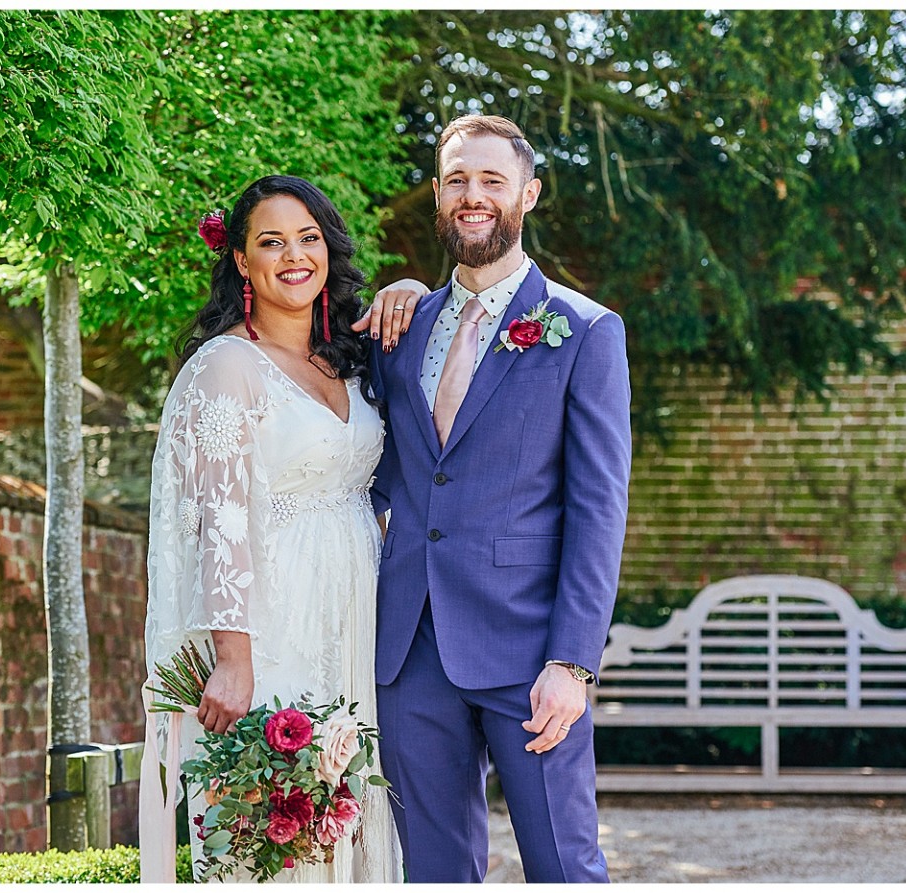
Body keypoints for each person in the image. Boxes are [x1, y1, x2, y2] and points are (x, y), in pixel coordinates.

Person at [139, 175, 430, 883]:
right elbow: (220, 521)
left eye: (308, 238)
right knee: (278, 822)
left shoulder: (348, 358)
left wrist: (414, 288)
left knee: (352, 804)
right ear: (242, 261)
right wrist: (234, 659)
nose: (293, 256)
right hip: (274, 618)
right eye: (271, 242)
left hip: (356, 610)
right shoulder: (226, 367)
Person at [364, 113, 631, 882]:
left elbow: (597, 507)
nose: (471, 196)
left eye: (491, 180)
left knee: (562, 862)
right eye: (456, 180)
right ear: (439, 196)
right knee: (435, 870)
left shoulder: (584, 331)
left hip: (527, 653)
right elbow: (381, 473)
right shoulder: (401, 328)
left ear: (528, 194)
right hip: (410, 648)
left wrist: (573, 662)